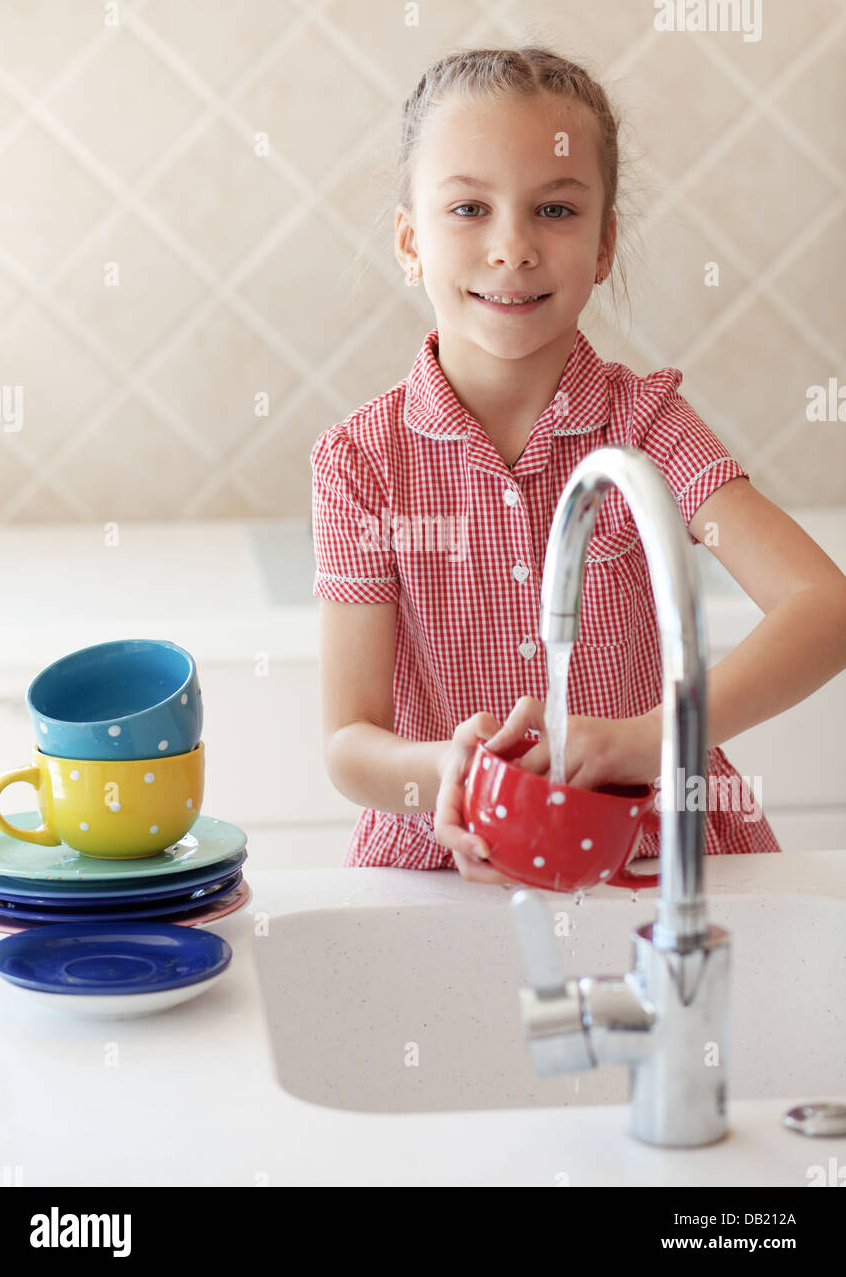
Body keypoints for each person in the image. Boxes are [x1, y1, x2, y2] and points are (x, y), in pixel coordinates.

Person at [309, 46, 846, 882]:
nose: (512, 247)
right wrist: (443, 780)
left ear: (603, 246)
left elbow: (826, 608)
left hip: (661, 860)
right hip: (448, 871)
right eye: (468, 209)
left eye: (555, 211)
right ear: (411, 243)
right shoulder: (360, 465)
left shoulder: (648, 427)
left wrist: (644, 740)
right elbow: (349, 745)